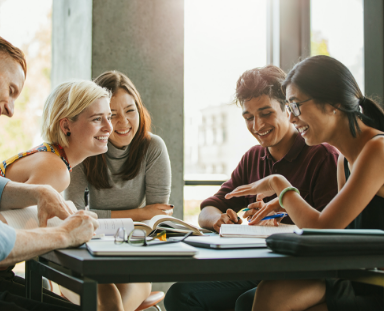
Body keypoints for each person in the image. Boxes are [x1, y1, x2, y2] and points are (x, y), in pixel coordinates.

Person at [165, 65, 339, 311]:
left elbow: (329, 234)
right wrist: (219, 220)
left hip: (304, 273)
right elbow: (208, 209)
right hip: (260, 268)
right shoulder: (253, 157)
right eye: (248, 117)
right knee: (180, 295)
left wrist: (281, 226)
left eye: (266, 113)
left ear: (288, 109)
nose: (257, 125)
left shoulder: (321, 155)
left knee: (247, 302)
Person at [226, 55, 384, 311]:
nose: (291, 118)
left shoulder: (377, 150)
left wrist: (279, 185)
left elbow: (323, 230)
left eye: (296, 106)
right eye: (289, 108)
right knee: (262, 294)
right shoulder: (344, 159)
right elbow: (335, 237)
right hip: (357, 275)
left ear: (333, 103)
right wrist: (285, 204)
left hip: (376, 283)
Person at [0, 36, 99, 311]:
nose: (10, 109)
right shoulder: (56, 168)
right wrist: (65, 234)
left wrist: (37, 192)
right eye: (10, 89)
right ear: (66, 126)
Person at [65, 70, 172, 310]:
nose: (123, 122)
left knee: (112, 306)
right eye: (112, 115)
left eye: (130, 110)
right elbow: (73, 217)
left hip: (133, 257)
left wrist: (144, 216)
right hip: (87, 255)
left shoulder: (153, 147)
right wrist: (138, 213)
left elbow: (158, 221)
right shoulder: (82, 150)